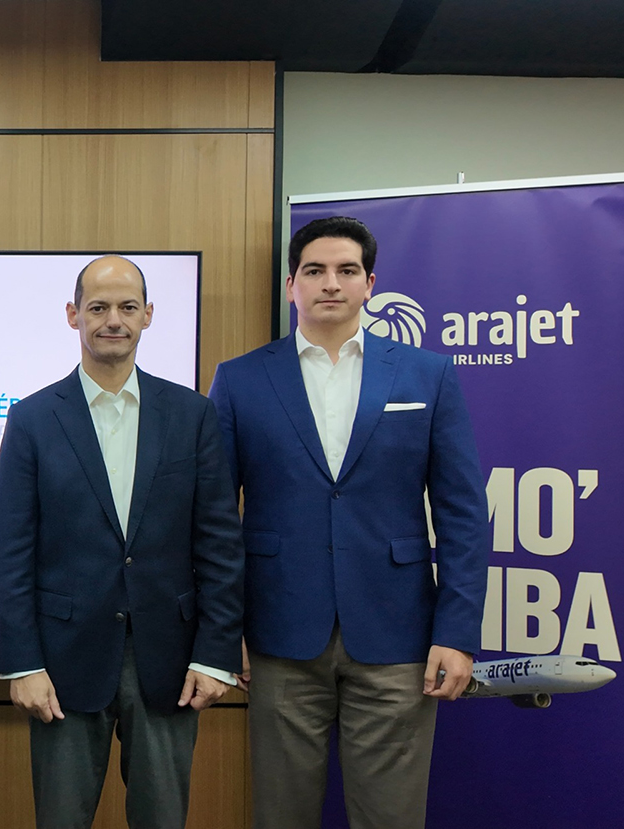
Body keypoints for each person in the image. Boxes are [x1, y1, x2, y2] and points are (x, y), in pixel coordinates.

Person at [210, 216, 488, 829]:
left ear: (370, 284)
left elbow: (464, 515)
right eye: (314, 271)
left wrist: (457, 631)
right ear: (291, 286)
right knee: (281, 816)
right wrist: (223, 629)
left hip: (398, 636)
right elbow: (214, 520)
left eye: (346, 270)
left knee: (390, 817)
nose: (330, 283)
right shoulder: (240, 379)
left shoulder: (427, 375)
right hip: (278, 636)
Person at [0, 256, 244, 829]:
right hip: (62, 662)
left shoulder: (192, 415)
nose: (113, 320)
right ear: (73, 314)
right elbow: (11, 553)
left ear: (148, 315)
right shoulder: (32, 419)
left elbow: (220, 547)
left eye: (128, 307)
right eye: (99, 307)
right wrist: (21, 663)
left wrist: (216, 655)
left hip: (171, 660)